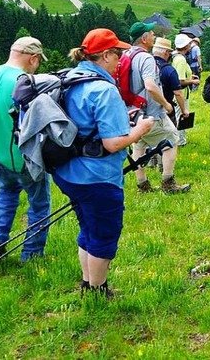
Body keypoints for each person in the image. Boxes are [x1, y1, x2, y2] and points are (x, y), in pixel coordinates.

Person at [53, 28, 154, 298]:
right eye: (118, 53)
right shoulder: (103, 89)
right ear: (105, 55)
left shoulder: (70, 78)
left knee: (88, 226)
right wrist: (140, 129)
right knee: (104, 233)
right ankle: (98, 292)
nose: (121, 58)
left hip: (67, 172)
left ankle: (89, 283)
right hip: (96, 176)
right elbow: (113, 143)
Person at [0, 36, 52, 262]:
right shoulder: (25, 81)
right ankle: (32, 254)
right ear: (33, 58)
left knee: (6, 192)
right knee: (39, 203)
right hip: (23, 157)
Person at [127, 22, 190, 194]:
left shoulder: (126, 55)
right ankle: (168, 183)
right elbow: (150, 86)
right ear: (144, 38)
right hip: (151, 114)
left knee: (139, 146)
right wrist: (166, 104)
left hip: (132, 114)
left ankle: (143, 185)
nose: (154, 36)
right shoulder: (146, 58)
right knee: (172, 139)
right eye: (152, 33)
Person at [172, 33, 200, 147]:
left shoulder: (176, 57)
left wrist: (189, 77)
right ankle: (180, 142)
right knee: (181, 117)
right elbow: (179, 81)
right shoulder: (181, 60)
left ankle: (180, 140)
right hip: (181, 94)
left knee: (180, 116)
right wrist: (192, 81)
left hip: (181, 93)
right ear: (186, 46)